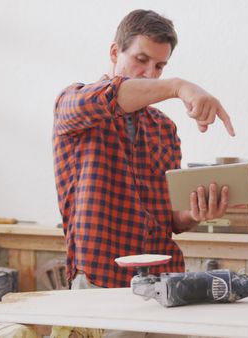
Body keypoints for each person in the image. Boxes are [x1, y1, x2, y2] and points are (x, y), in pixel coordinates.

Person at [53, 9, 234, 289]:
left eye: (160, 66)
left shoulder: (164, 128)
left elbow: (172, 218)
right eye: (141, 59)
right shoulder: (73, 104)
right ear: (115, 52)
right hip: (102, 280)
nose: (150, 74)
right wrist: (178, 86)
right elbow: (112, 96)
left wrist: (196, 214)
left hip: (165, 279)